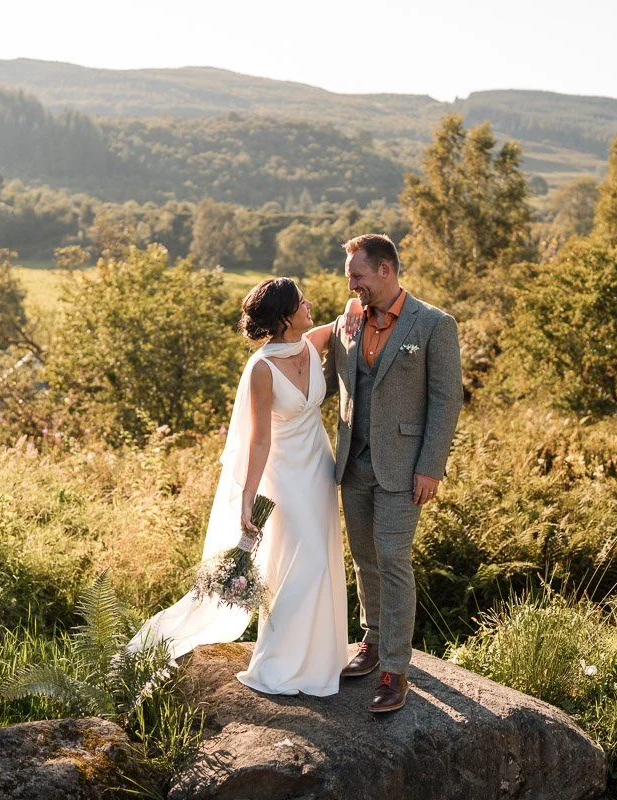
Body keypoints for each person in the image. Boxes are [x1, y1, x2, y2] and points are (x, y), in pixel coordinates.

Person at [126, 278, 358, 697]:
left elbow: (346, 315)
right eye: (301, 302)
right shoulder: (262, 369)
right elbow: (258, 439)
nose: (310, 305)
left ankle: (321, 658)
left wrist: (359, 301)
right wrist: (249, 497)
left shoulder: (309, 343)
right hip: (284, 476)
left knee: (322, 558)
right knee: (305, 565)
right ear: (286, 316)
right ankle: (276, 664)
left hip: (319, 471)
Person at [324, 233, 464, 713]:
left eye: (358, 275)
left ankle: (395, 669)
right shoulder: (349, 322)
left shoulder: (434, 324)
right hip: (352, 462)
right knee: (364, 557)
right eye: (350, 278)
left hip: (405, 468)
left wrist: (431, 467)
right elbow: (326, 382)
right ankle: (372, 642)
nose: (353, 284)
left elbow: (447, 400)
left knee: (392, 558)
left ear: (386, 270)